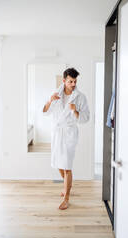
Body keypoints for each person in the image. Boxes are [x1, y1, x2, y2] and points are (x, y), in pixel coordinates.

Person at [42, 67, 90, 210]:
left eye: (75, 81)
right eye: (70, 81)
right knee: (58, 163)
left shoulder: (80, 97)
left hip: (69, 134)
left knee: (67, 165)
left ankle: (66, 198)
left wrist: (75, 110)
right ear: (64, 81)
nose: (73, 84)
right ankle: (66, 185)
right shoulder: (56, 94)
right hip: (57, 133)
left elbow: (86, 118)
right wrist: (50, 101)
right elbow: (45, 112)